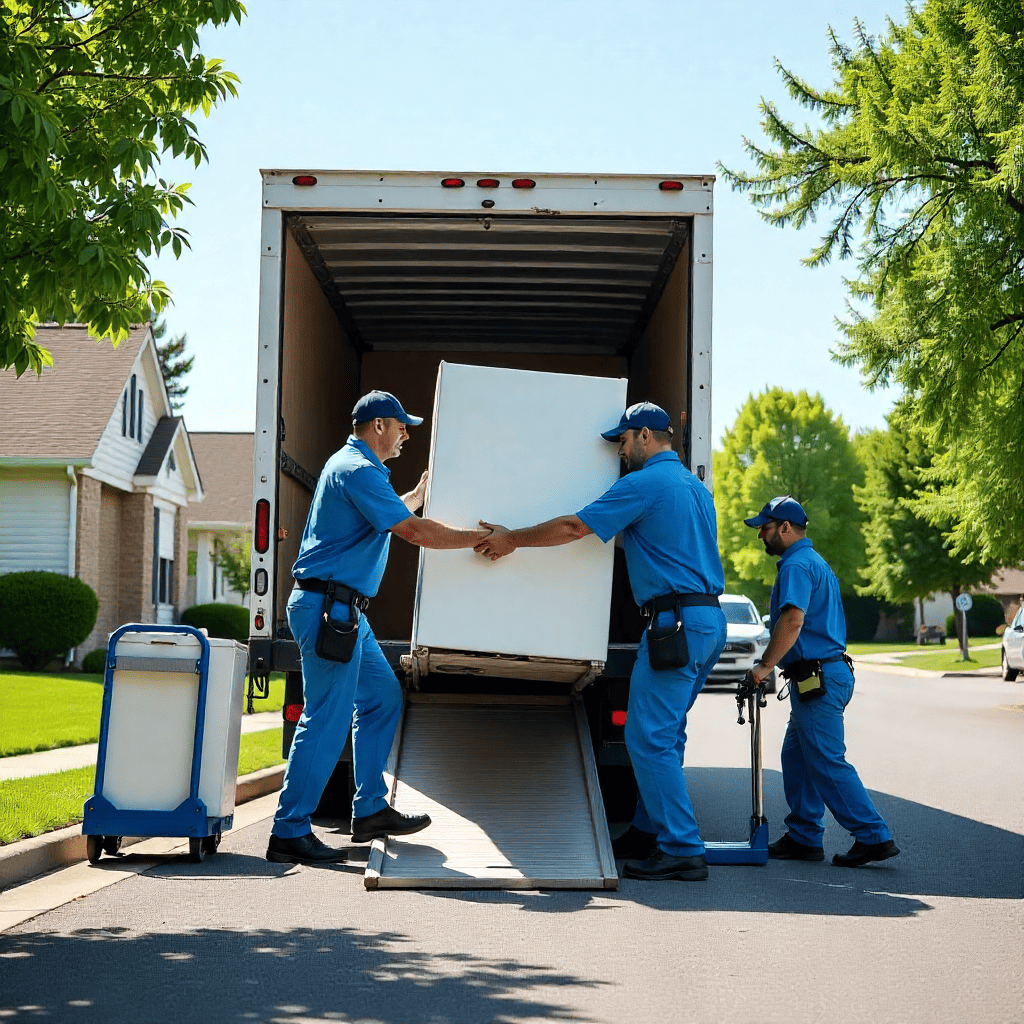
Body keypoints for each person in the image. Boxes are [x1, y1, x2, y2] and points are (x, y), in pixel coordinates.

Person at [475, 401, 727, 881]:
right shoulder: (695, 488)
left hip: (676, 625)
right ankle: (647, 829)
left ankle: (681, 848)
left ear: (647, 437)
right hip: (706, 622)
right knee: (667, 733)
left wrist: (513, 540)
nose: (621, 451)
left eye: (625, 441)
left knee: (647, 736)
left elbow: (575, 527)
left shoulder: (644, 483)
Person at [266, 390, 492, 866]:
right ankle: (288, 831)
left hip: (345, 612)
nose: (406, 433)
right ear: (377, 427)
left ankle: (369, 810)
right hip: (331, 610)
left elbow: (390, 514)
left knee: (382, 697)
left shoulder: (358, 470)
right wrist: (481, 538)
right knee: (325, 718)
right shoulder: (359, 470)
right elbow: (412, 531)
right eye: (400, 425)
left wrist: (414, 496)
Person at [745, 495, 899, 867]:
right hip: (821, 675)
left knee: (827, 761)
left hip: (819, 677)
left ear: (784, 528)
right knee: (796, 757)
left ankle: (873, 836)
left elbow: (793, 620)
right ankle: (804, 836)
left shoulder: (796, 565)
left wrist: (763, 668)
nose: (760, 536)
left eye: (765, 528)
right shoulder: (813, 562)